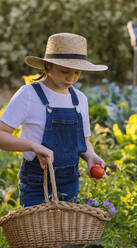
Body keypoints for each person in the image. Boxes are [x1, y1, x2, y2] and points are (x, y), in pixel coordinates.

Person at [0, 33, 108, 208]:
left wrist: (91, 156)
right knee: (36, 234)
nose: (71, 78)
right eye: (65, 71)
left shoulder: (80, 99)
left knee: (63, 234)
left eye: (77, 72)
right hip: (36, 182)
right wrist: (32, 146)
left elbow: (84, 141)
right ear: (48, 65)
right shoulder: (29, 94)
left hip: (69, 183)